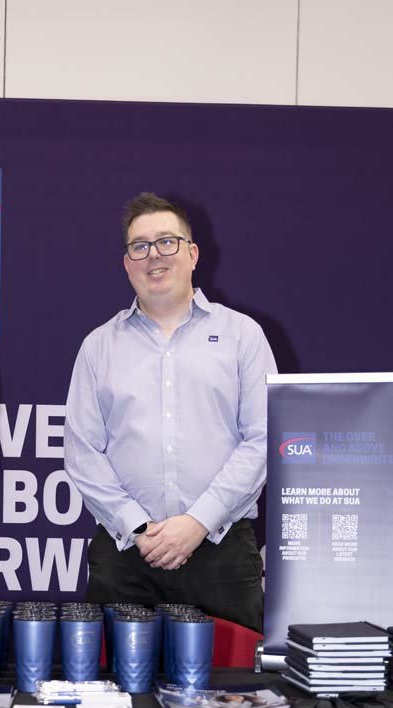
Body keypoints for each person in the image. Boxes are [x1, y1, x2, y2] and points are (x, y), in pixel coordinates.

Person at [64, 192, 277, 632]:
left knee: (231, 677)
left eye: (167, 242)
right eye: (139, 247)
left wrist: (198, 522)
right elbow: (82, 453)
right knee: (115, 678)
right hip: (125, 556)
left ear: (193, 254)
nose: (153, 256)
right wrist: (138, 527)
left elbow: (263, 439)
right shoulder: (98, 346)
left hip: (221, 552)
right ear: (127, 264)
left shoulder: (243, 336)